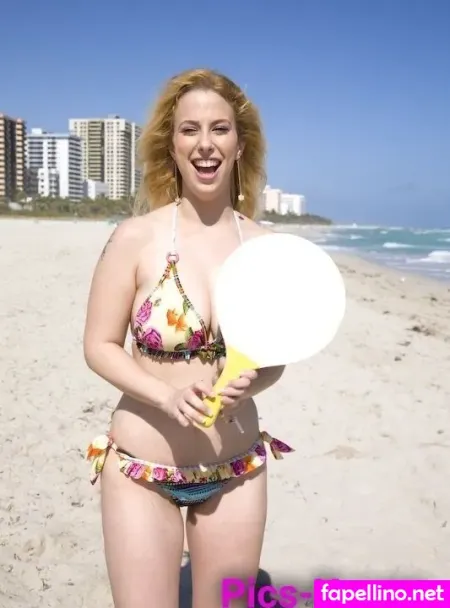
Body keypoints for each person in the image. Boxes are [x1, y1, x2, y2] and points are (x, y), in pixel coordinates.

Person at [84, 67, 294, 608]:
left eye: (219, 129)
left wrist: (253, 383)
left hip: (236, 469)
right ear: (171, 146)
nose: (205, 144)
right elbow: (99, 346)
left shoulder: (266, 248)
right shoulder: (134, 237)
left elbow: (275, 359)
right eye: (189, 130)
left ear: (240, 145)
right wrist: (165, 395)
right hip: (141, 469)